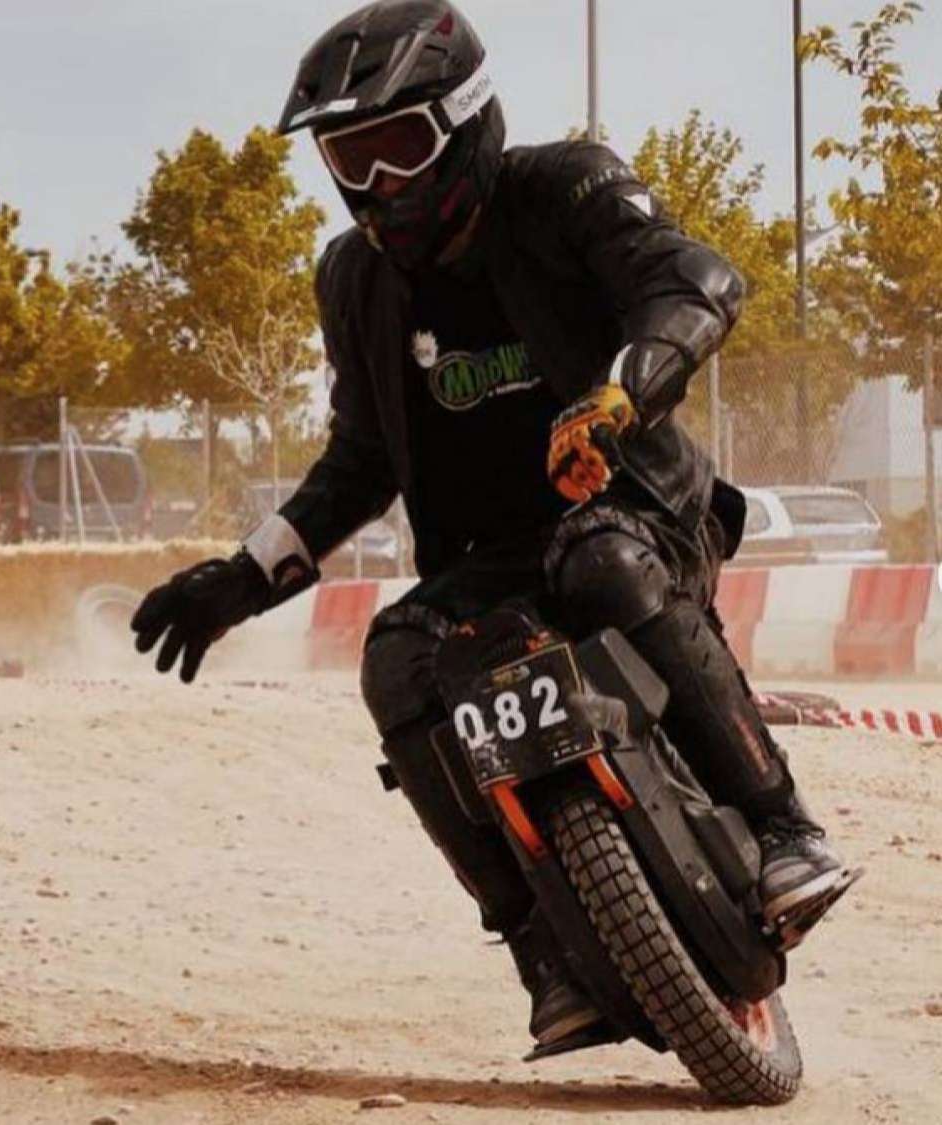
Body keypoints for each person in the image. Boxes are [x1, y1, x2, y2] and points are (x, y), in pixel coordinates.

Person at [131, 0, 854, 1049]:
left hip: (635, 510)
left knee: (598, 559)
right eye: (350, 159)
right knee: (392, 659)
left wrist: (620, 398)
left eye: (397, 148)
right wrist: (238, 579)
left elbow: (695, 280)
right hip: (489, 564)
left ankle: (783, 827)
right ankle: (537, 947)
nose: (377, 186)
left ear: (464, 123)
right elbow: (360, 462)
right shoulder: (352, 279)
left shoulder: (564, 188)